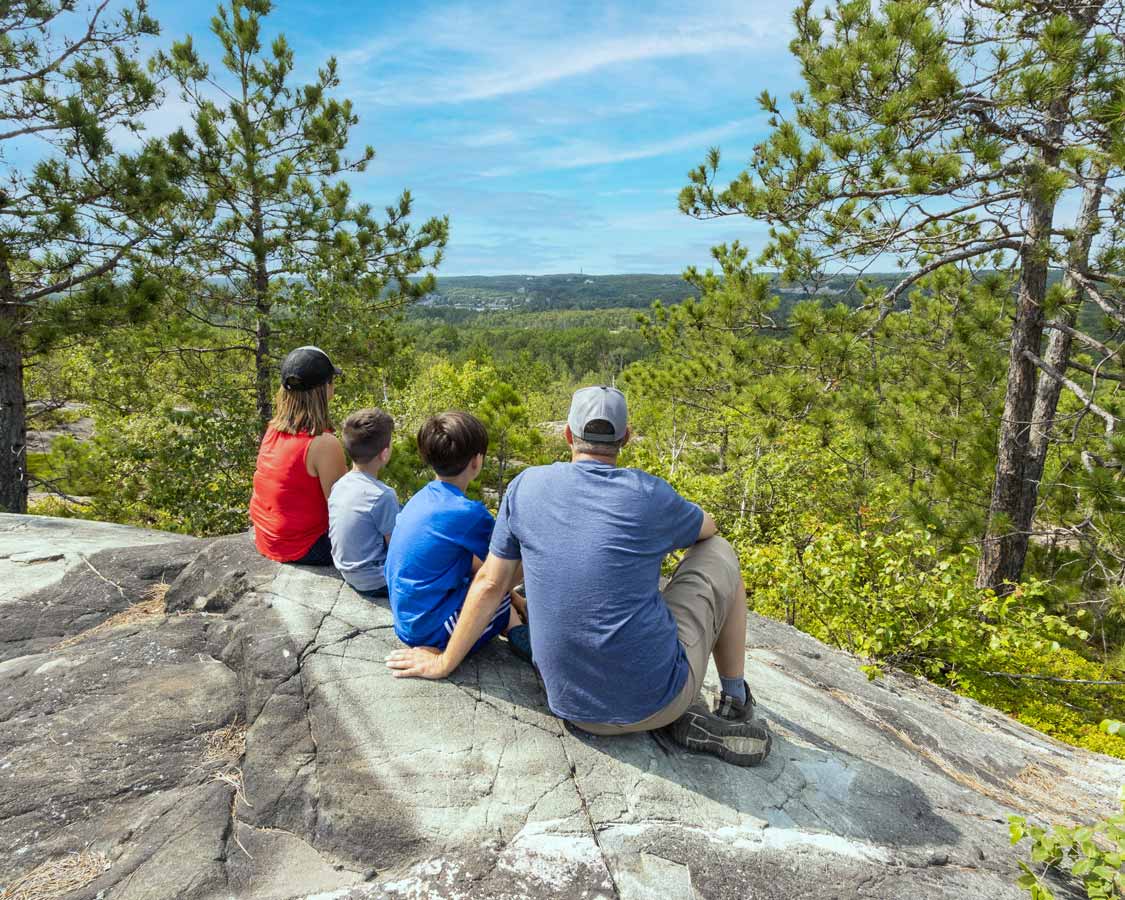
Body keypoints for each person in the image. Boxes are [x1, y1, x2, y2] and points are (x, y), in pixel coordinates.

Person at [386, 386, 771, 767]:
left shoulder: (526, 486)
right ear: (626, 437)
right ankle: (733, 701)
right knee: (721, 551)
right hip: (655, 700)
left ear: (568, 435)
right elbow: (708, 527)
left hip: (569, 703)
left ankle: (669, 705)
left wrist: (443, 664)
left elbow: (489, 582)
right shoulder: (649, 493)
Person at [384, 411, 530, 660]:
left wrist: (513, 594)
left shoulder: (421, 498)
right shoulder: (469, 513)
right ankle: (516, 630)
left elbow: (471, 562)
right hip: (428, 629)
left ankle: (513, 620)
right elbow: (502, 576)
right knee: (494, 598)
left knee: (482, 578)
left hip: (407, 615)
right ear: (476, 462)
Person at [249, 346, 347, 565]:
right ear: (325, 388)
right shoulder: (324, 444)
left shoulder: (274, 429)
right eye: (332, 381)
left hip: (265, 536)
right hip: (303, 546)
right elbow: (344, 508)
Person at [329, 408, 399, 598]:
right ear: (384, 454)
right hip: (374, 580)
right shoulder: (383, 495)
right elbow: (397, 550)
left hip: (346, 571)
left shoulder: (339, 485)